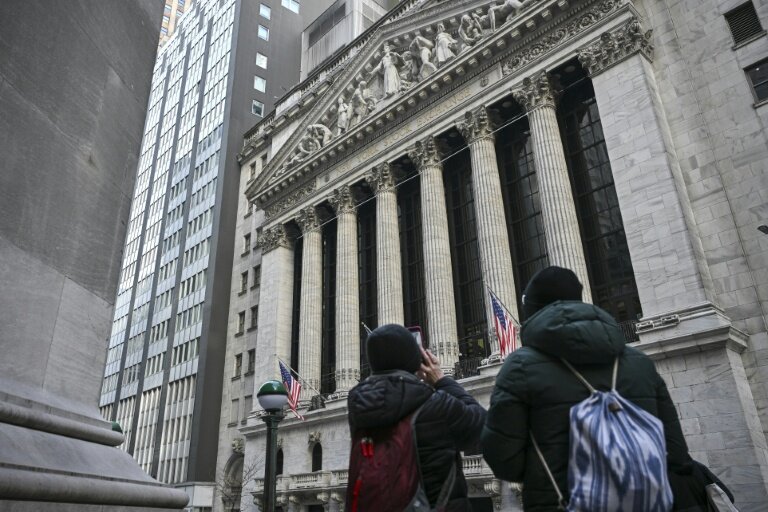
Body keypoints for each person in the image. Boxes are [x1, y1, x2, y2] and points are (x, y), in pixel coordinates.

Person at [481, 266, 693, 511]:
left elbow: (503, 460)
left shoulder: (519, 367)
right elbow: (676, 452)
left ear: (532, 310)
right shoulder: (641, 364)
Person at [347, 324, 487, 511]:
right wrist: (441, 381)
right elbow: (481, 426)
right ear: (415, 359)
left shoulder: (358, 406)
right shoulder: (435, 404)